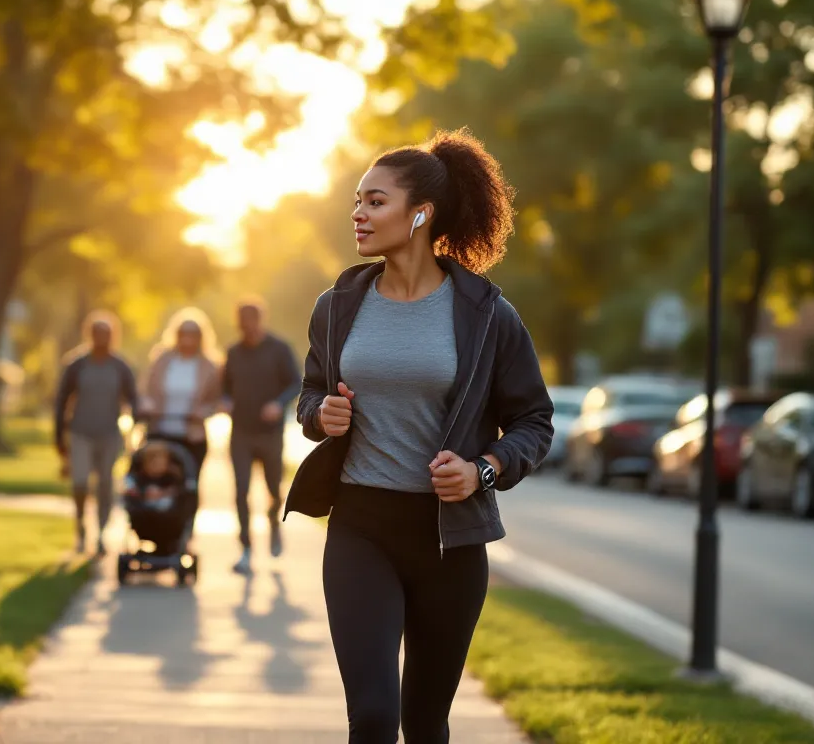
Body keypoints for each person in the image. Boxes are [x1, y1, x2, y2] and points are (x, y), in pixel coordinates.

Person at [283, 128, 555, 743]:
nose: (358, 213)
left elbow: (535, 421)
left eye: (375, 201)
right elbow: (309, 396)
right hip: (360, 527)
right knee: (375, 715)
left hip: (450, 542)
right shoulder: (337, 305)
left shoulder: (486, 313)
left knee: (426, 723)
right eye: (357, 200)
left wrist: (483, 468)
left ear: (421, 213)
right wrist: (318, 415)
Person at [221, 296, 301, 576]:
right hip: (241, 432)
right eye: (243, 323)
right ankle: (245, 549)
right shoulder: (233, 352)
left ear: (260, 320)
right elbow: (225, 387)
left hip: (270, 433)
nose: (248, 328)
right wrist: (225, 400)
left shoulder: (279, 349)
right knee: (241, 490)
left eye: (252, 322)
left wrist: (278, 404)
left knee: (273, 489)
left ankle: (274, 524)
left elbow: (296, 383)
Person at [54, 310, 139, 556]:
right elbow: (62, 400)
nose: (102, 337)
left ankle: (101, 533)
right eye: (97, 333)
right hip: (81, 432)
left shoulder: (120, 366)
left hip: (109, 434)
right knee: (80, 483)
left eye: (106, 333)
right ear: (90, 334)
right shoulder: (77, 365)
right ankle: (81, 526)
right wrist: (59, 436)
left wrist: (137, 426)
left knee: (105, 484)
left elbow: (132, 399)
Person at [139, 307, 223, 485]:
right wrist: (147, 406)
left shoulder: (210, 366)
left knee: (188, 483)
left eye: (193, 334)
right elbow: (146, 390)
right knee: (156, 482)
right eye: (184, 333)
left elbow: (216, 400)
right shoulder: (162, 360)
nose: (188, 338)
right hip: (160, 430)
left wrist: (203, 412)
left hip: (191, 434)